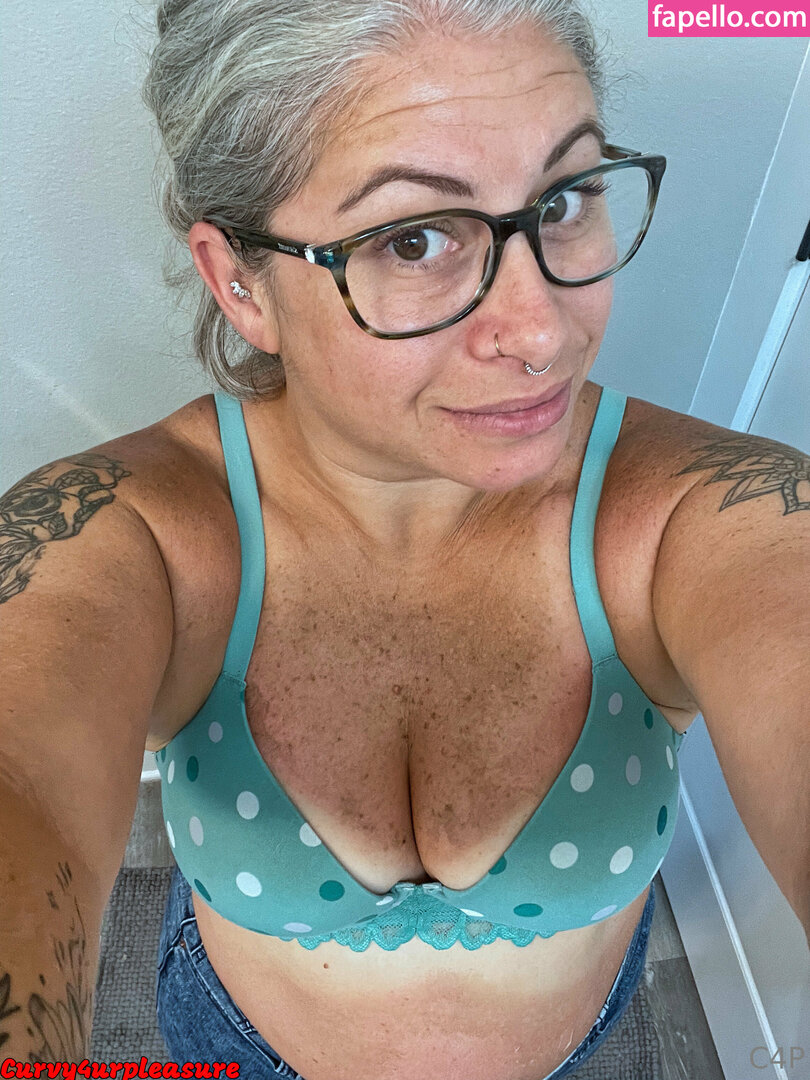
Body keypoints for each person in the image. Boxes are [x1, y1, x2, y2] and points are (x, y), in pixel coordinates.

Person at [1, 0, 807, 1076]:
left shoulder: (705, 517)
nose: (542, 329)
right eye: (413, 240)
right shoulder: (128, 534)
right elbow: (23, 787)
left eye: (565, 199)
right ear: (240, 282)